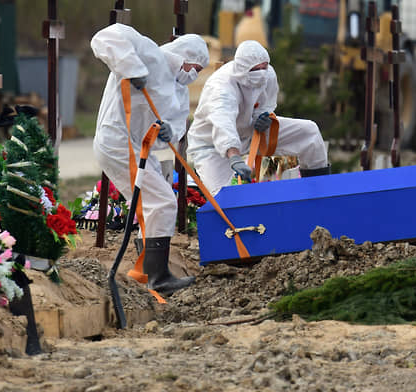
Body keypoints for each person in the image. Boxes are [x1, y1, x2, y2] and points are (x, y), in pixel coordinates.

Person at [92, 23, 209, 295]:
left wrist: (169, 132)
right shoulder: (149, 54)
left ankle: (148, 269)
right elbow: (105, 37)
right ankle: (158, 278)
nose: (194, 75)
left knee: (154, 200)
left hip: (138, 148)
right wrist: (131, 68)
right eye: (195, 67)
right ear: (183, 56)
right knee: (162, 201)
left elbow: (174, 127)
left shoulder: (179, 90)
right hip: (117, 140)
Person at [187, 40, 330, 195]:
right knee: (225, 198)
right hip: (212, 146)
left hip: (250, 132)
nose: (261, 72)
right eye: (255, 69)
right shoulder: (221, 87)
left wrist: (263, 117)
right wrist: (234, 157)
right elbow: (223, 123)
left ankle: (318, 191)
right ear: (241, 69)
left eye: (264, 67)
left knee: (309, 132)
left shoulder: (268, 74)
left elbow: (267, 104)